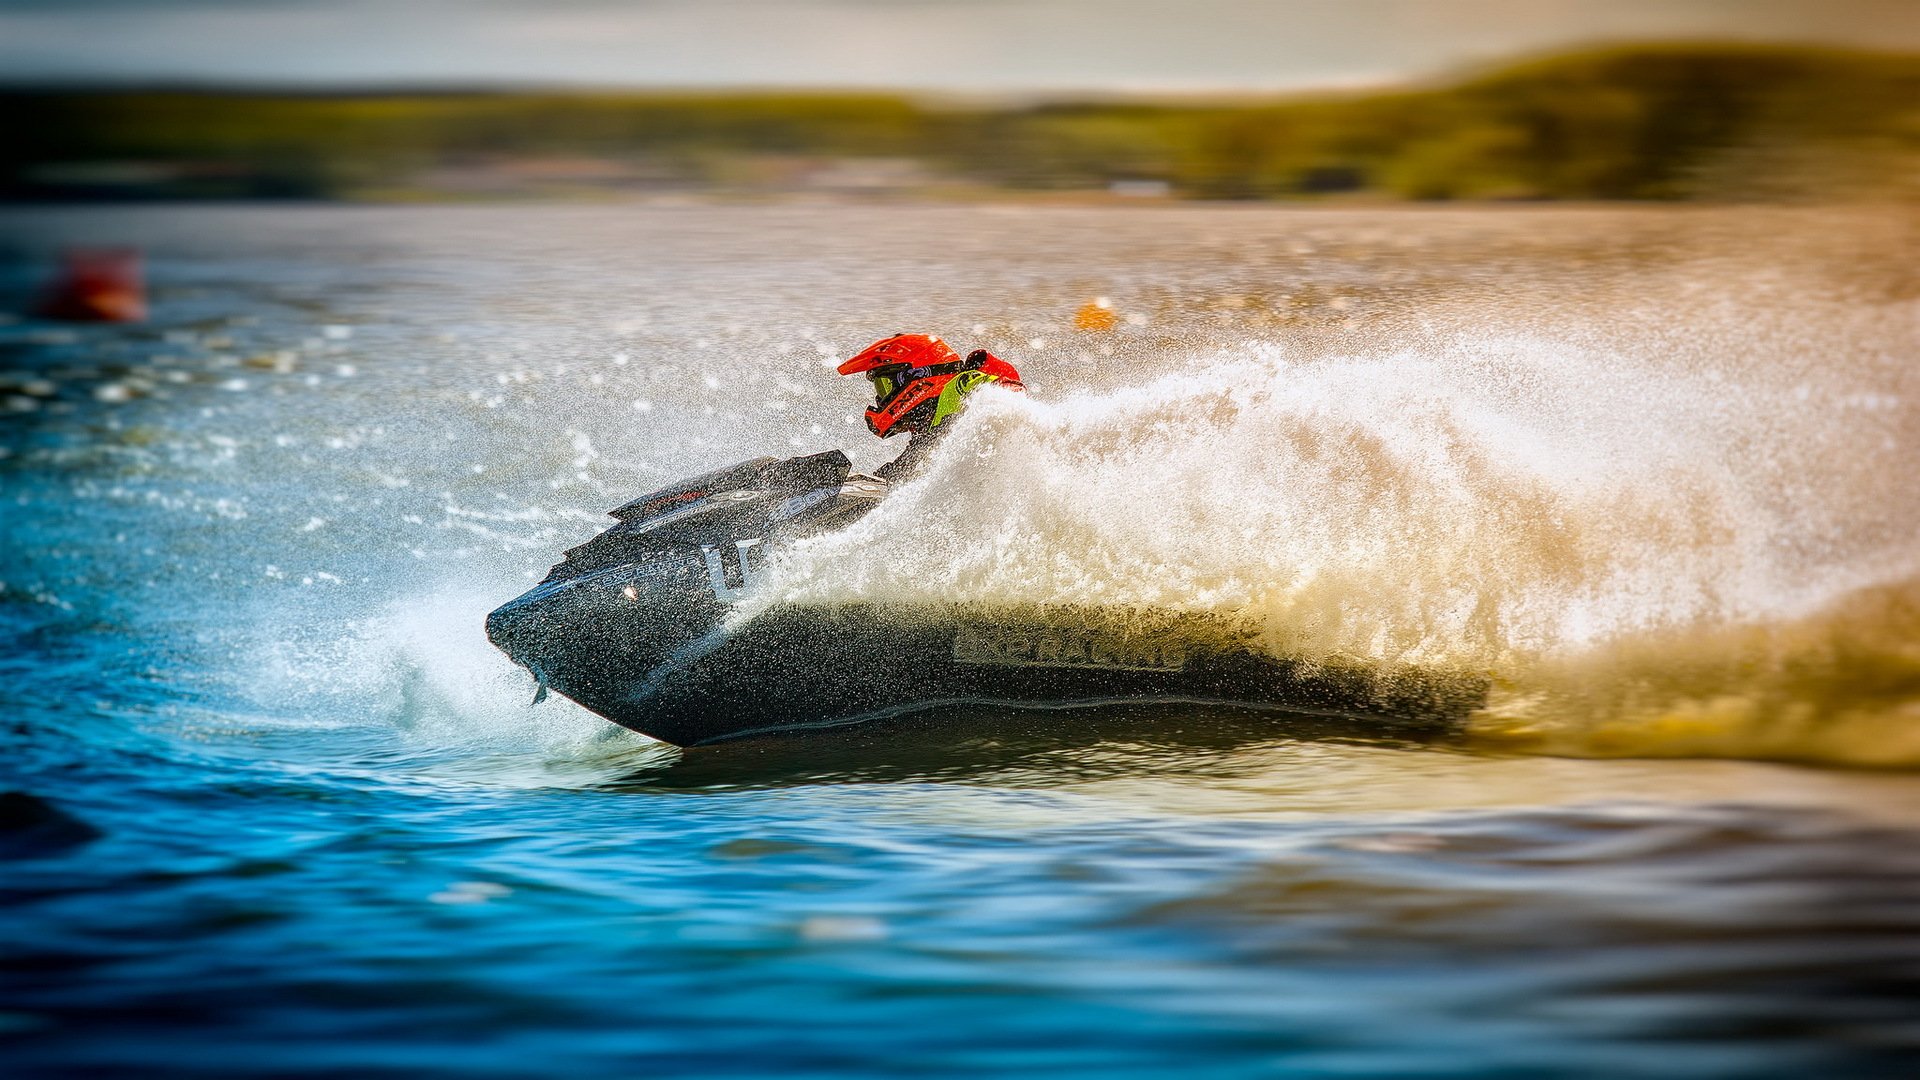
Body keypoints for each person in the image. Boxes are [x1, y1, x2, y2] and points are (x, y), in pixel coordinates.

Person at [836, 333, 1024, 482]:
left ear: (915, 375)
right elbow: (907, 467)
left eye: (885, 386)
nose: (880, 398)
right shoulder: (928, 424)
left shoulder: (959, 385)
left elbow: (1008, 394)